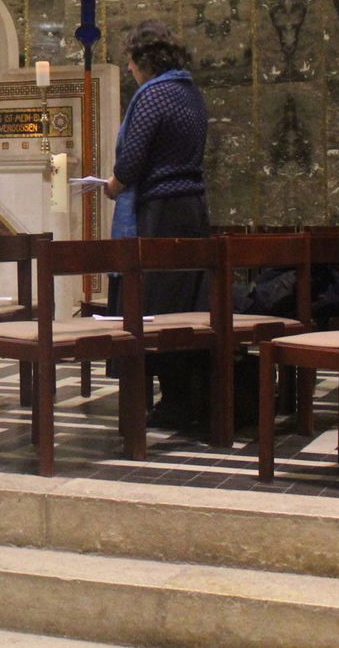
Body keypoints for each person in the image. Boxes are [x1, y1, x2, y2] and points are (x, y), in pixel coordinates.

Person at [103, 21, 210, 429]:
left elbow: (131, 162)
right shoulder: (191, 94)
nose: (130, 70)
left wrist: (113, 186)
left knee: (155, 308)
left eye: (131, 62)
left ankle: (174, 400)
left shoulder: (153, 96)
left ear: (146, 60)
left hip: (160, 210)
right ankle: (189, 395)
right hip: (193, 208)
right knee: (187, 305)